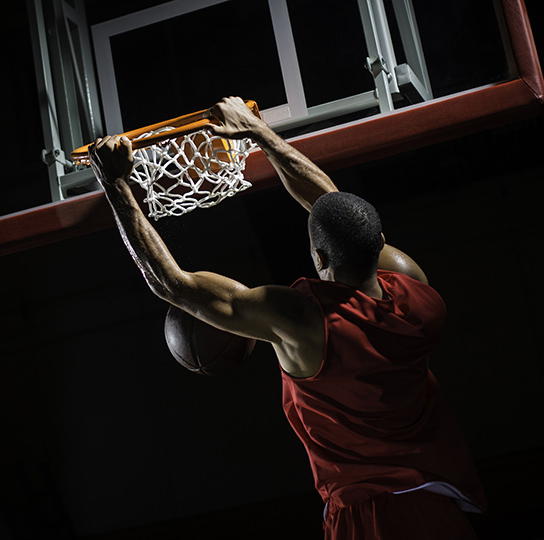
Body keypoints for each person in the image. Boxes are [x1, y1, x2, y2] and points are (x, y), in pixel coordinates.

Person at [88, 96, 487, 539]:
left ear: (318, 255)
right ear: (378, 244)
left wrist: (115, 184)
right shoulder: (419, 292)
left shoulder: (303, 321)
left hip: (370, 515)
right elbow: (336, 208)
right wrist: (259, 132)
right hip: (437, 505)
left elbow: (171, 285)